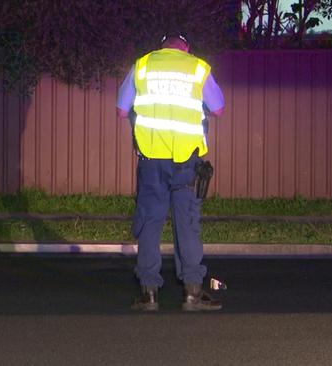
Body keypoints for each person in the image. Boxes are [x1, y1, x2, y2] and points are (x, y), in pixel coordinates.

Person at [117, 33, 225, 311]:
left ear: (161, 46)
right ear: (186, 47)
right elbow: (219, 108)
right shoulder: (198, 68)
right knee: (187, 223)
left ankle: (149, 294)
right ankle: (192, 293)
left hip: (152, 161)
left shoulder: (142, 66)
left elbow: (121, 110)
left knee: (150, 223)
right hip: (186, 163)